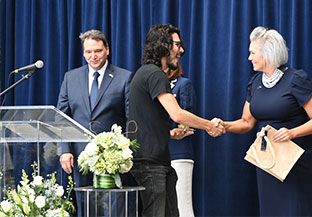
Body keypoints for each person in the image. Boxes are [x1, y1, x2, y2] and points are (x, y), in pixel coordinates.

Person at [221, 26, 312, 216]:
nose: (249, 58)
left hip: (294, 163)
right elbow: (246, 122)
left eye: (253, 53)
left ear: (267, 53)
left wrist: (292, 132)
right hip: (268, 162)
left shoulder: (296, 79)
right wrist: (224, 126)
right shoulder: (255, 83)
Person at [128, 24, 225, 217]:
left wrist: (171, 134)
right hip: (150, 165)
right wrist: (209, 125)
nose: (181, 50)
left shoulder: (147, 73)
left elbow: (152, 119)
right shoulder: (154, 74)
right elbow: (178, 115)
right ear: (162, 45)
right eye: (177, 45)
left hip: (158, 162)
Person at [57, 29, 133, 216]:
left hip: (114, 158)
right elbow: (61, 118)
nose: (93, 56)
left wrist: (126, 151)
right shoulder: (70, 78)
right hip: (79, 156)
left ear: (107, 49)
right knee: (86, 208)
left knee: (114, 209)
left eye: (97, 51)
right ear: (83, 53)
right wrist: (65, 149)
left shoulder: (125, 77)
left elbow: (132, 118)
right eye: (88, 52)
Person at [168, 63, 196, 217]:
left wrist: (179, 130)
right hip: (159, 152)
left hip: (179, 152)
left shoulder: (183, 84)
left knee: (182, 205)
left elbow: (187, 116)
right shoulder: (155, 87)